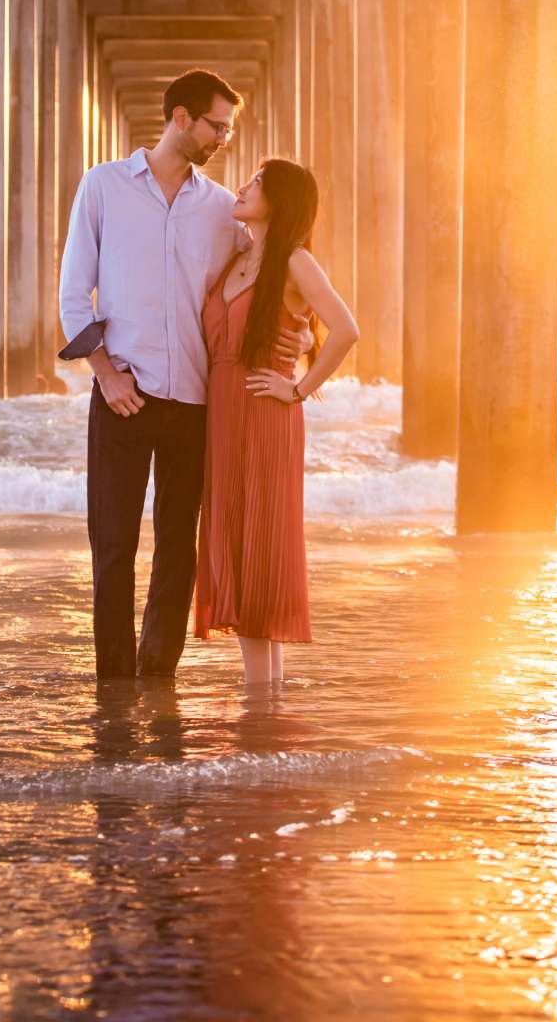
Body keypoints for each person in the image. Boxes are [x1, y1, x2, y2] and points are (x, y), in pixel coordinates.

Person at [58, 69, 308, 683]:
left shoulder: (224, 209)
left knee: (179, 553)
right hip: (122, 395)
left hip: (196, 404)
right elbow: (72, 297)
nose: (224, 137)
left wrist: (298, 333)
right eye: (216, 125)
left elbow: (275, 272)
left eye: (228, 126)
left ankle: (157, 682)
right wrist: (106, 373)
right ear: (180, 118)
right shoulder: (104, 187)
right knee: (113, 548)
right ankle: (115, 687)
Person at [194, 158, 359, 687]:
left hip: (266, 413)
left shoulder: (294, 261)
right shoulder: (236, 258)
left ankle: (259, 695)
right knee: (236, 542)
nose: (243, 186)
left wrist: (299, 389)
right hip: (222, 416)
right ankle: (266, 699)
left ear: (281, 199)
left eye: (257, 182)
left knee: (259, 542)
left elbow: (347, 330)